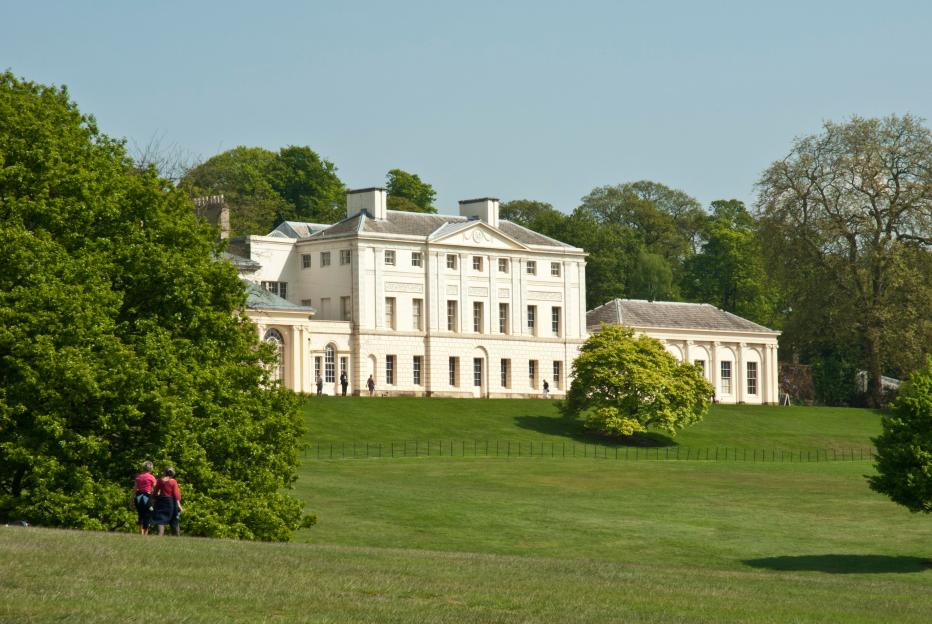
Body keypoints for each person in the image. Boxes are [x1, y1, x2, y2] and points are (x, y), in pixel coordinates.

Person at [150, 467, 183, 536]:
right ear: (173, 473)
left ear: (165, 472)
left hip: (161, 501)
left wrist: (153, 502)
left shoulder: (160, 480)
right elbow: (176, 494)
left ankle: (160, 535)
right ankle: (177, 537)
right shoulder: (173, 481)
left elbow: (155, 493)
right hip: (171, 502)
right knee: (174, 520)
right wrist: (179, 505)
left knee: (160, 520)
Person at [129, 461, 156, 535]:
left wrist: (131, 501)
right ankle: (145, 533)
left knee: (140, 514)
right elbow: (155, 489)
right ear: (151, 468)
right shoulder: (151, 477)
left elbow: (134, 489)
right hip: (147, 497)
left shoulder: (138, 477)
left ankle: (140, 532)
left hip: (138, 497)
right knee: (148, 515)